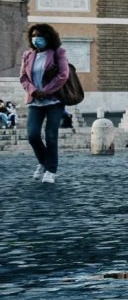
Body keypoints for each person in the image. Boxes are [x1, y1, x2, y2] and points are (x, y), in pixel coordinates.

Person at [19, 24, 72, 184]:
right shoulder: (28, 55)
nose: (36, 38)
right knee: (33, 135)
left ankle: (51, 170)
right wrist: (34, 91)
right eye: (34, 35)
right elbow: (23, 77)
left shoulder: (58, 53)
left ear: (48, 37)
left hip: (54, 101)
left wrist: (46, 91)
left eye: (40, 35)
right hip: (35, 100)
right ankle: (43, 162)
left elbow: (63, 75)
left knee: (51, 135)